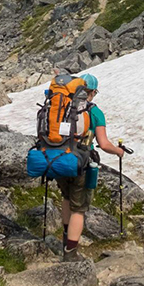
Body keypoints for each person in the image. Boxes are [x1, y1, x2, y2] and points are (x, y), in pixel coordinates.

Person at [55, 73, 126, 261]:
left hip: (59, 158)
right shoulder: (95, 112)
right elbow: (103, 143)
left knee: (66, 197)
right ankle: (71, 253)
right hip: (81, 162)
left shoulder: (63, 105)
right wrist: (118, 152)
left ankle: (65, 238)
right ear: (92, 92)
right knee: (79, 209)